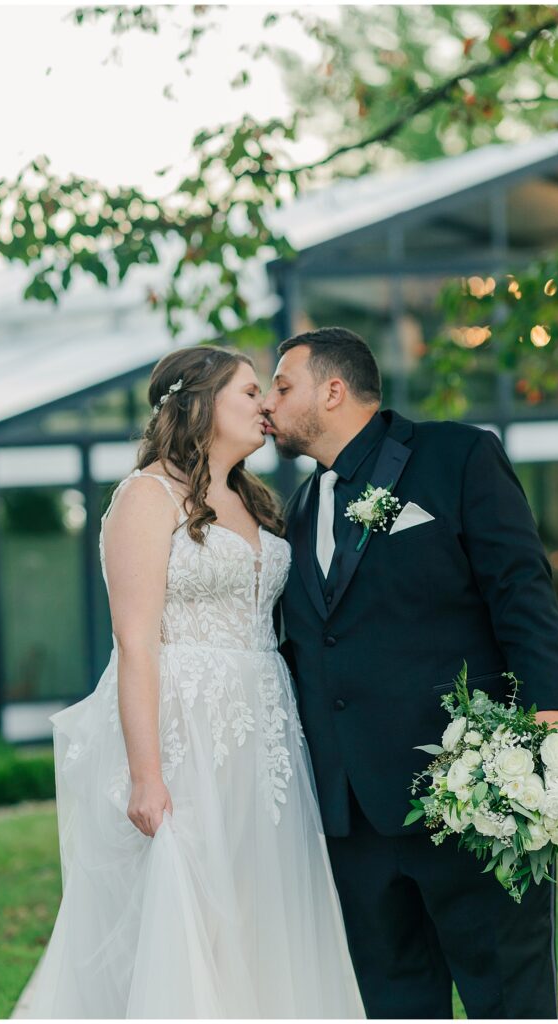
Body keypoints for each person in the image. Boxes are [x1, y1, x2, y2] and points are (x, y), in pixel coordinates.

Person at [26, 345, 365, 1019]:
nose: (266, 406)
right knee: (198, 914)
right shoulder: (146, 497)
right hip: (189, 735)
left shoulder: (256, 501)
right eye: (249, 392)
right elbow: (135, 642)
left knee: (262, 904)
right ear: (200, 405)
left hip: (266, 737)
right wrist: (147, 775)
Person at [262, 326, 558, 1020]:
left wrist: (551, 714)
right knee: (394, 1003)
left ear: (334, 390)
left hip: (466, 798)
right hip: (353, 818)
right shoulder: (298, 509)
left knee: (508, 995)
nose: (269, 404)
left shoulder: (457, 456)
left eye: (283, 387)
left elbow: (520, 590)